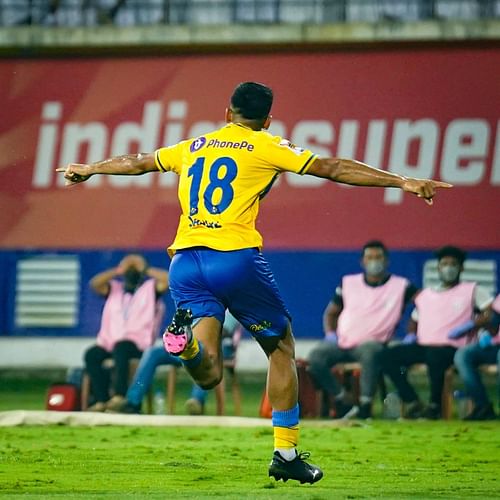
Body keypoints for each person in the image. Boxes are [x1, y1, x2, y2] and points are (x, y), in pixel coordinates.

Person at [57, 81, 451, 483]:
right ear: (267, 120)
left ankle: (186, 344)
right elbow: (333, 168)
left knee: (208, 373)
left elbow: (138, 161)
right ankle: (286, 453)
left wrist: (90, 169)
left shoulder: (193, 145)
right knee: (281, 346)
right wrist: (401, 180)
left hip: (185, 263)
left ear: (227, 113)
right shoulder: (266, 145)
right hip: (234, 259)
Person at [308, 240, 418, 420]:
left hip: (372, 344)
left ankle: (365, 404)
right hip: (342, 343)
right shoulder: (348, 283)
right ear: (363, 262)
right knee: (316, 356)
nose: (374, 261)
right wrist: (330, 334)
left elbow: (426, 304)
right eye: (370, 257)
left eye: (378, 257)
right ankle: (343, 399)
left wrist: (412, 332)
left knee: (371, 351)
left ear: (386, 261)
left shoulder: (401, 286)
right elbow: (331, 313)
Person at [380, 246, 493, 419]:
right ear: (438, 267)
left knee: (435, 356)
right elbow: (414, 320)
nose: (448, 268)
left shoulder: (473, 290)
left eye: (453, 264)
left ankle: (435, 405)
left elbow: (490, 313)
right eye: (444, 263)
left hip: (453, 347)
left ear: (461, 268)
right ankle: (412, 400)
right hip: (424, 345)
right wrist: (411, 335)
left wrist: (472, 324)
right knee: (387, 356)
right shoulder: (426, 294)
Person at [107, 311, 243, 415]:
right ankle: (133, 402)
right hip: (187, 345)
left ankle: (196, 401)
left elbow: (223, 331)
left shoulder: (228, 302)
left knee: (203, 350)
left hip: (213, 348)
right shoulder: (197, 296)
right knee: (153, 352)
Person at [84, 254, 168, 412]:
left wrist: (145, 269)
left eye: (134, 268)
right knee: (92, 354)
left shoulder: (150, 289)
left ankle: (119, 396)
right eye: (128, 268)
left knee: (122, 348)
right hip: (109, 343)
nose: (131, 271)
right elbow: (95, 284)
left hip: (137, 345)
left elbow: (169, 280)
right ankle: (102, 400)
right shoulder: (114, 289)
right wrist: (118, 270)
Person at [453, 293, 499, 420]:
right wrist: (485, 331)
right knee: (463, 355)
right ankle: (482, 406)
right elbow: (494, 321)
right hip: (495, 345)